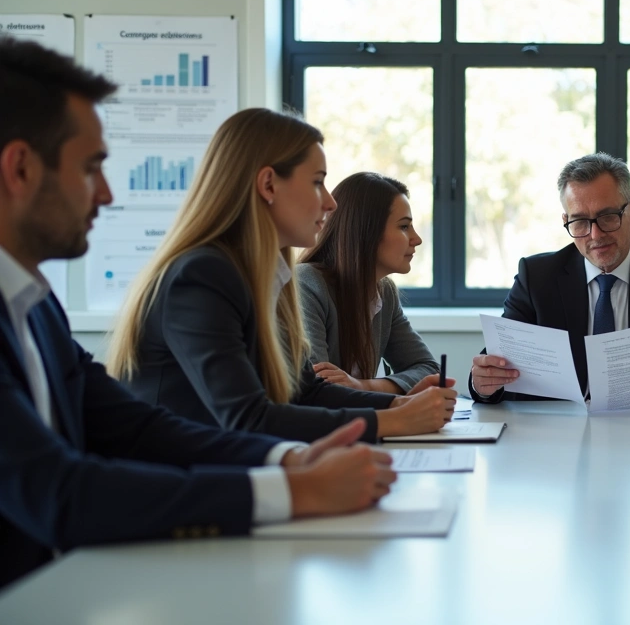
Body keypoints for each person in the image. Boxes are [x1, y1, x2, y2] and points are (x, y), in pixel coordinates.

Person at [0, 36, 397, 590]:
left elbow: (138, 429)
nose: (108, 194)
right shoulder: (202, 274)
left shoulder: (34, 305)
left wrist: (287, 462)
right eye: (92, 168)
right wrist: (292, 488)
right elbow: (59, 491)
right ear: (19, 169)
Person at [107, 109, 455, 443]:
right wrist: (393, 419)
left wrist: (399, 404)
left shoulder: (267, 278)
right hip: (180, 483)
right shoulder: (202, 275)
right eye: (318, 182)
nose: (331, 203)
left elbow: (307, 391)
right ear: (269, 185)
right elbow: (248, 418)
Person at [469, 152, 630, 406]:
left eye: (607, 217)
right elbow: (496, 364)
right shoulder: (537, 277)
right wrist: (482, 385)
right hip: (556, 436)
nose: (595, 235)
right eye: (580, 221)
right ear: (566, 220)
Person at [298, 171, 439, 394]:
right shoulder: (306, 284)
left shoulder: (385, 293)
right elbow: (319, 388)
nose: (417, 239)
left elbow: (429, 372)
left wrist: (362, 386)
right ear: (366, 232)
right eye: (404, 226)